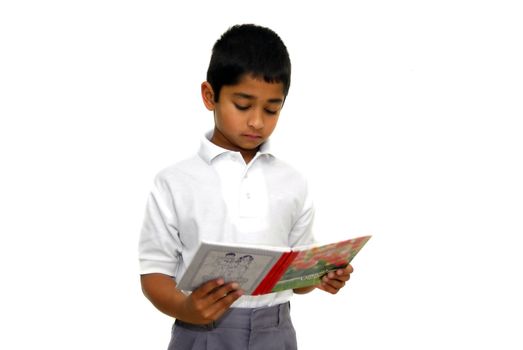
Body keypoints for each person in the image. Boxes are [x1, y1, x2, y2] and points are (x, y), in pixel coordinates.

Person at [138, 24, 353, 350]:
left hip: (276, 331)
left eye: (271, 109)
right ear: (210, 96)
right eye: (242, 105)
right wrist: (185, 308)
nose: (257, 121)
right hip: (202, 331)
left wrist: (320, 276)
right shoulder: (174, 182)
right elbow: (154, 272)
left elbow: (295, 278)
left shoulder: (292, 181)